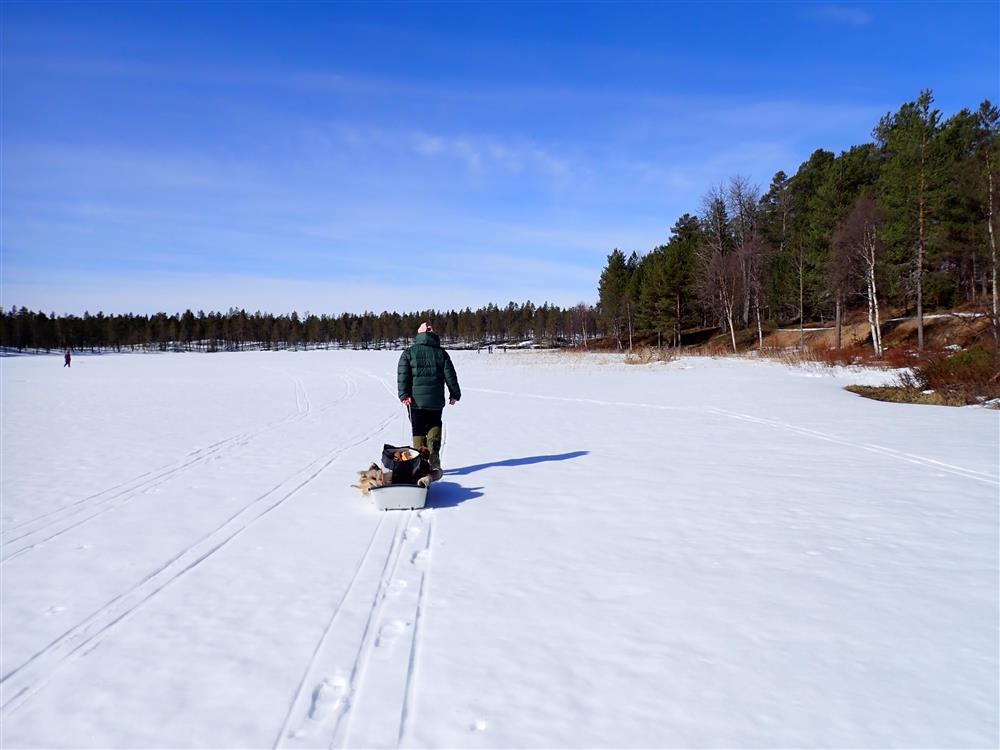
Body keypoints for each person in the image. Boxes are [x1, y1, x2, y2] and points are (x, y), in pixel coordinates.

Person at [397, 322, 461, 480]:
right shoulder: (441, 353)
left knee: (418, 429)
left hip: (416, 401)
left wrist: (404, 394)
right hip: (435, 400)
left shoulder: (408, 353)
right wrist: (455, 394)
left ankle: (419, 462)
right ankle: (434, 458)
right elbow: (450, 376)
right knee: (434, 425)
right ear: (433, 335)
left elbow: (403, 375)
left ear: (419, 335)